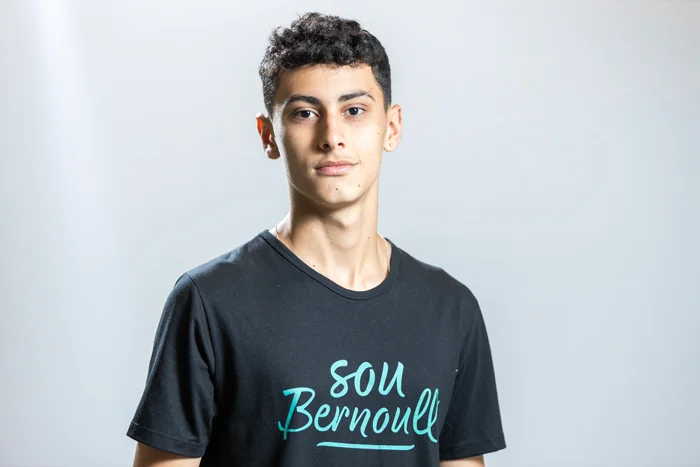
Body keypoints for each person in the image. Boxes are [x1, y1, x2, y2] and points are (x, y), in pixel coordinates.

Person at [127, 12, 506, 467]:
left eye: (354, 110)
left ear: (391, 126)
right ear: (269, 136)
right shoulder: (210, 302)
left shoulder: (450, 307)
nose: (332, 137)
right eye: (305, 113)